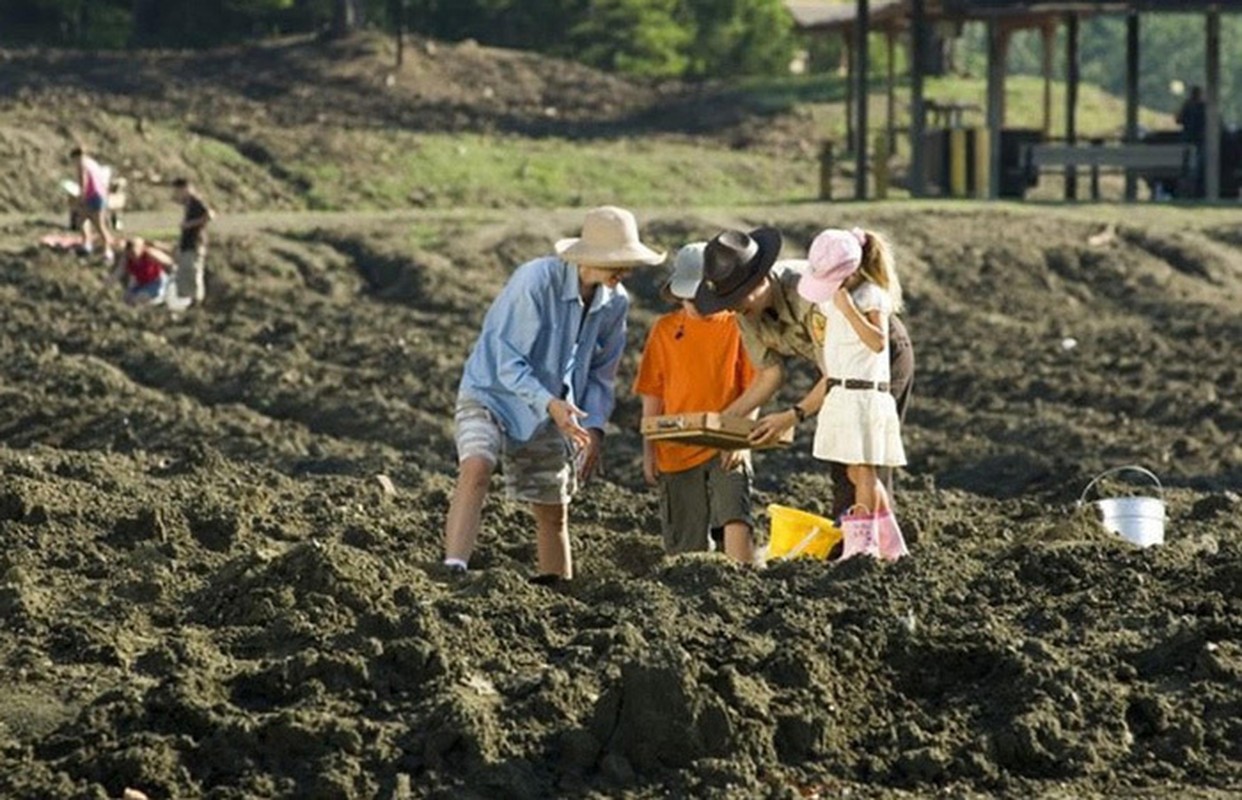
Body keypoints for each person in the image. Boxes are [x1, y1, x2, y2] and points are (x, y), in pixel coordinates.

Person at [441, 206, 665, 583]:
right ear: (591, 258)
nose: (625, 273)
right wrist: (549, 403)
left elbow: (601, 373)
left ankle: (557, 588)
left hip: (552, 405)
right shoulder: (535, 281)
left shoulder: (616, 301)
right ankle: (453, 567)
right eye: (619, 263)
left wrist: (594, 427)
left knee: (552, 506)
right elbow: (505, 358)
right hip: (492, 391)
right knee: (477, 465)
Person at [694, 227, 915, 520]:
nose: (733, 309)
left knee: (860, 457)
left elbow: (836, 375)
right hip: (836, 368)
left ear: (760, 282)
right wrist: (724, 425)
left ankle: (861, 548)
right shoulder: (745, 314)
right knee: (847, 456)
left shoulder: (809, 294)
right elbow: (768, 375)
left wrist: (793, 415)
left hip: (873, 356)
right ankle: (877, 540)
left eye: (737, 299)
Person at [634, 243, 757, 564]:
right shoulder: (664, 330)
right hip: (674, 446)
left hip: (727, 442)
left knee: (735, 516)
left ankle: (743, 581)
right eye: (688, 299)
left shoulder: (738, 327)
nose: (694, 306)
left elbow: (755, 387)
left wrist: (741, 439)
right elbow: (652, 393)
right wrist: (649, 450)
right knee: (685, 548)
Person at [796, 228, 908, 560]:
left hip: (864, 395)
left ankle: (863, 545)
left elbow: (877, 341)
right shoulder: (835, 299)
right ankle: (890, 542)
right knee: (853, 470)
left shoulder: (871, 295)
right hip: (843, 391)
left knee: (865, 470)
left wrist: (848, 311)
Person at [169, 178, 215, 309]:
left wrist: (189, 225)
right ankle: (189, 300)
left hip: (195, 242)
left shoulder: (196, 201)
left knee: (193, 271)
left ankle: (197, 301)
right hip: (187, 243)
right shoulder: (188, 203)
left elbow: (209, 215)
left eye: (178, 191)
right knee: (185, 272)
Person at [70, 146, 116, 264]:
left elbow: (83, 182)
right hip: (101, 195)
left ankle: (106, 250)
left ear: (76, 157)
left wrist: (81, 198)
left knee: (95, 224)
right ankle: (89, 245)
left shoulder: (82, 165)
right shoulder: (92, 163)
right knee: (85, 220)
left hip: (92, 196)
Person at [108, 237, 173, 306]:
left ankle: (160, 302)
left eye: (134, 252)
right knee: (126, 299)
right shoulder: (127, 258)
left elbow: (169, 262)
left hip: (157, 282)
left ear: (141, 249)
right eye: (130, 252)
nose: (132, 255)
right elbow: (118, 273)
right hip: (140, 283)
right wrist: (105, 288)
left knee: (139, 298)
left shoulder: (150, 254)